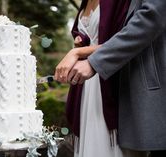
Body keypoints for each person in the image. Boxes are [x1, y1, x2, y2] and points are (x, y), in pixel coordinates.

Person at [56, 0, 166, 156]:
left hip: (114, 78)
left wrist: (91, 60)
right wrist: (81, 46)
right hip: (88, 87)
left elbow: (148, 20)